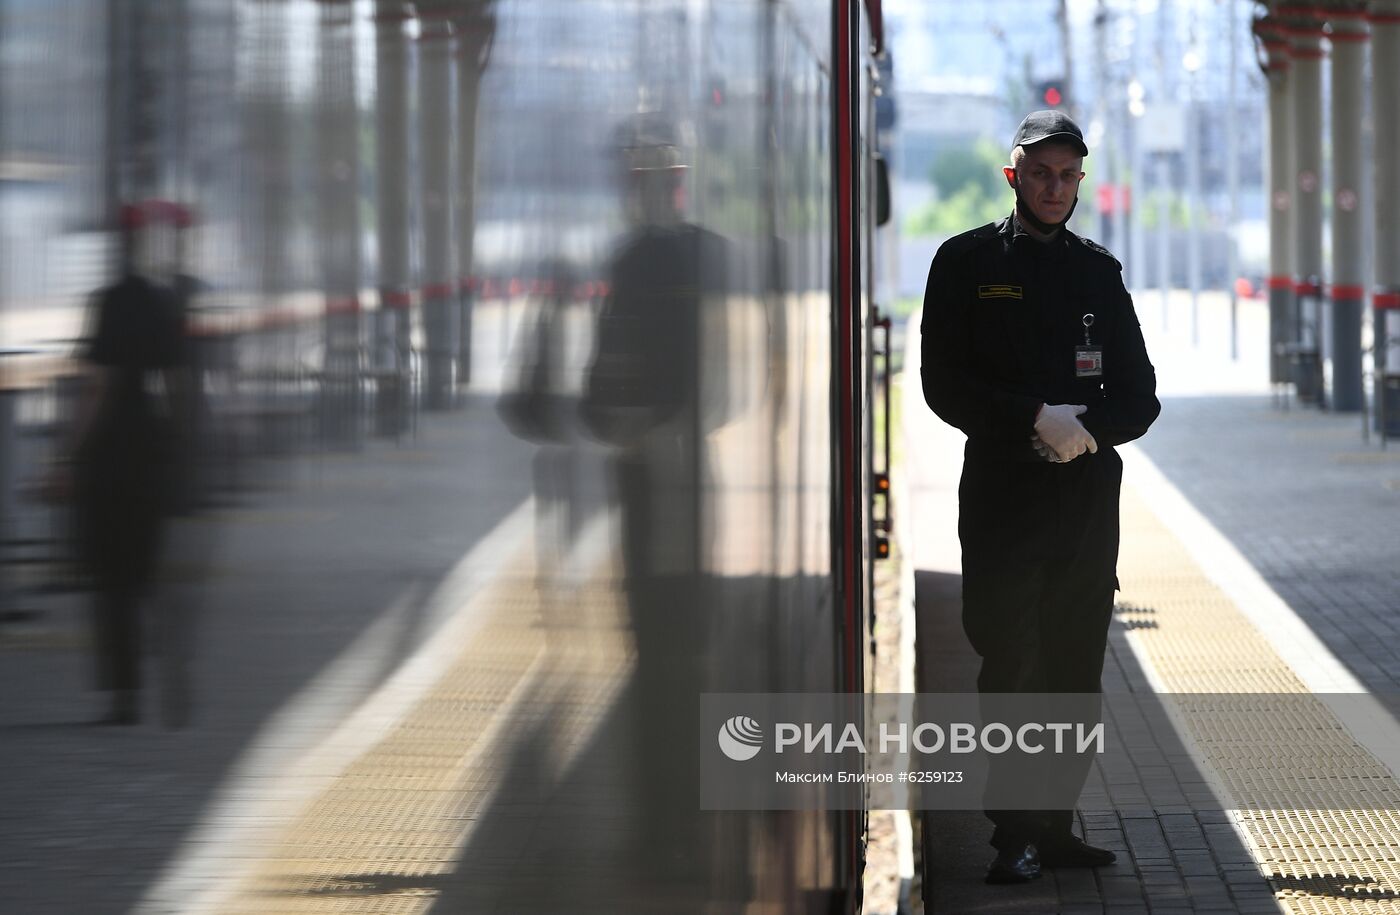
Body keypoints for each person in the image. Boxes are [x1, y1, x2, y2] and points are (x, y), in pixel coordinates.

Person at [919, 111, 1161, 884]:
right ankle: (1013, 834)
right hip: (1002, 500)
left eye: (1069, 176)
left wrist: (1087, 433)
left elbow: (1141, 396)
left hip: (1086, 505)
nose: (1055, 188)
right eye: (1042, 173)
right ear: (1013, 174)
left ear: (1080, 182)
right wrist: (1031, 416)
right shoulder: (964, 262)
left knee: (1073, 673)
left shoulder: (1099, 272)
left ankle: (1054, 826)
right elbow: (942, 383)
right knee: (1012, 667)